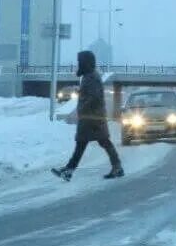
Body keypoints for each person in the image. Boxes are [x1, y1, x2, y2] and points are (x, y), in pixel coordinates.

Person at [52, 50, 124, 180]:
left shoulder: (91, 77)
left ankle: (70, 169)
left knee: (96, 142)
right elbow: (90, 94)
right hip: (91, 117)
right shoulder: (89, 76)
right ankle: (70, 170)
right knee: (90, 143)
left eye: (80, 61)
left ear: (86, 62)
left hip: (92, 118)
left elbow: (94, 96)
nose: (78, 63)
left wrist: (84, 106)